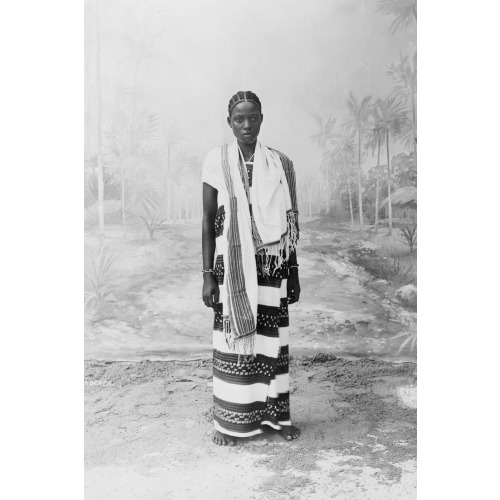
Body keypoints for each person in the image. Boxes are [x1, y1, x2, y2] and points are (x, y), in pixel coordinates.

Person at [201, 91, 301, 446]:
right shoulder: (217, 161)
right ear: (229, 122)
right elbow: (208, 220)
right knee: (235, 341)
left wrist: (294, 272)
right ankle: (229, 423)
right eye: (239, 119)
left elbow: (289, 223)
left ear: (262, 118)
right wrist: (207, 276)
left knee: (273, 343)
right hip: (232, 267)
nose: (246, 125)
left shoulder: (280, 163)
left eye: (253, 117)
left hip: (272, 265)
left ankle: (276, 418)